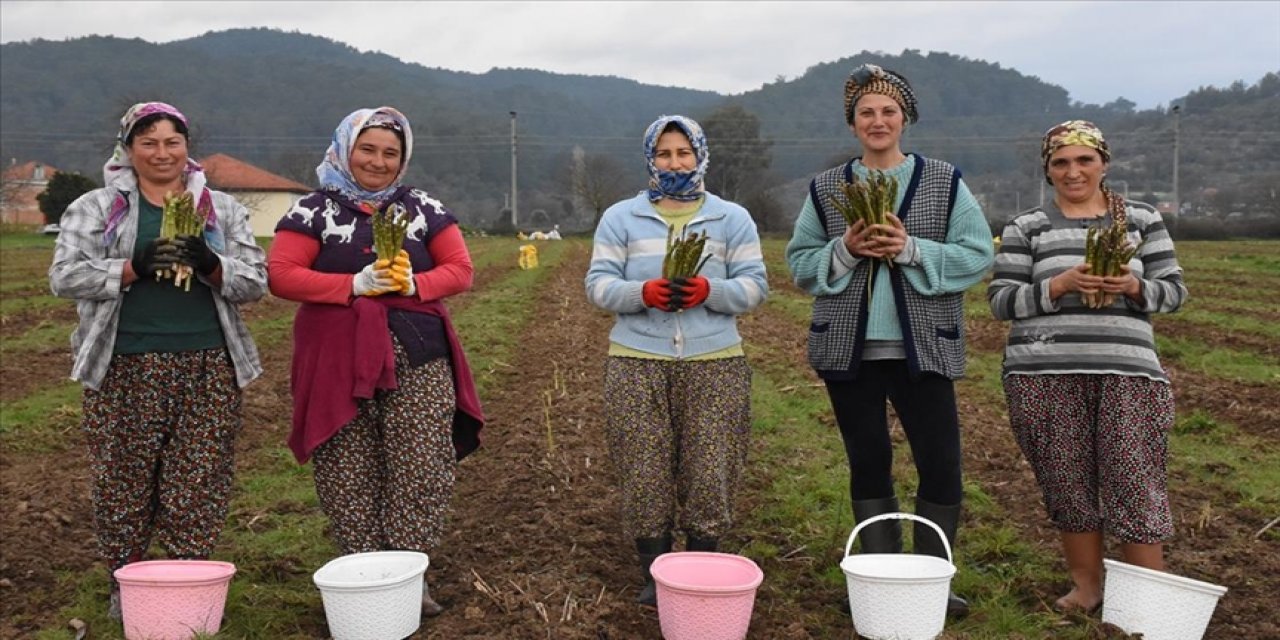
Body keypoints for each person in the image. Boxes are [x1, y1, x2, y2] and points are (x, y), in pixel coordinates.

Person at [784, 64, 994, 617]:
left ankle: (931, 582)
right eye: (866, 113)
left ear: (906, 118)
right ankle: (880, 579)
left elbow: (978, 254)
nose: (878, 121)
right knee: (868, 461)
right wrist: (847, 250)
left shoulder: (944, 181)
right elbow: (800, 264)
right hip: (848, 350)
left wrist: (910, 249)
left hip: (923, 347)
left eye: (888, 111)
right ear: (852, 124)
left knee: (941, 463)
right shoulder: (828, 188)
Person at [48, 101, 267, 620]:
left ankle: (188, 581)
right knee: (123, 478)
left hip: (208, 363)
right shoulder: (96, 207)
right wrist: (133, 266)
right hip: (123, 364)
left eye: (173, 142)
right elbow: (63, 276)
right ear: (128, 150)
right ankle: (126, 581)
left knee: (199, 478)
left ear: (187, 148)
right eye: (148, 143)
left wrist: (212, 265)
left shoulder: (221, 209)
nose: (162, 153)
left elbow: (256, 280)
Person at [267, 106, 484, 616]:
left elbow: (461, 269)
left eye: (391, 153)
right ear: (346, 148)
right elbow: (281, 274)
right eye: (368, 149)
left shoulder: (423, 208)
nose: (379, 162)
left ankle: (410, 574)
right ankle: (363, 576)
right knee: (346, 463)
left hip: (418, 353)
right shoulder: (311, 211)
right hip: (334, 358)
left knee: (420, 462)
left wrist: (415, 284)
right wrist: (352, 286)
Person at [988, 120, 1187, 614]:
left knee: (1133, 479)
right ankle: (1088, 586)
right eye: (1061, 162)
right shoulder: (1027, 226)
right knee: (1067, 481)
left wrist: (1135, 288)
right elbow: (1000, 301)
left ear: (1103, 164)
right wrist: (1058, 285)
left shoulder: (1140, 221)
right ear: (1048, 170)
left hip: (1127, 373)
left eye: (1084, 160)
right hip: (1042, 373)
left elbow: (1174, 292)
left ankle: (1144, 598)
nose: (1073, 171)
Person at [584, 115, 768, 606]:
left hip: (715, 360)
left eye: (683, 153)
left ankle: (703, 563)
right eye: (664, 154)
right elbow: (597, 285)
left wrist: (712, 290)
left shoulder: (732, 218)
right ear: (650, 158)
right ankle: (655, 570)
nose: (674, 163)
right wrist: (641, 292)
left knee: (710, 467)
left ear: (700, 155)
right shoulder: (621, 218)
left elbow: (755, 286)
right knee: (643, 465)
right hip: (635, 357)